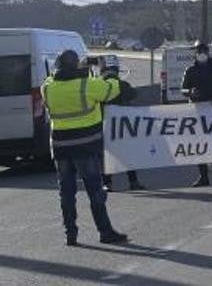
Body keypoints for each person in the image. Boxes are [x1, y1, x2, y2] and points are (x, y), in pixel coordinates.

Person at [42, 50, 128, 246]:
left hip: (61, 148)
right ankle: (105, 232)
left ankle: (70, 234)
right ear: (76, 65)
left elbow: (49, 79)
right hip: (85, 147)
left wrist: (77, 68)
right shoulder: (87, 84)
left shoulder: (48, 88)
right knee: (95, 190)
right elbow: (112, 89)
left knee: (66, 192)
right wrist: (105, 70)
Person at [181, 42, 212, 187]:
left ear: (208, 52)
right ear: (195, 53)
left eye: (204, 51)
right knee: (198, 145)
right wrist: (190, 92)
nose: (201, 53)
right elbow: (183, 89)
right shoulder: (190, 70)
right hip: (196, 111)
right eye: (199, 51)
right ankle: (203, 176)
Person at [101, 64, 145, 192]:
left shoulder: (100, 86)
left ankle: (107, 183)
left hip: (106, 127)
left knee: (107, 156)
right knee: (127, 155)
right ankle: (133, 182)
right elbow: (134, 94)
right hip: (123, 127)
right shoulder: (123, 85)